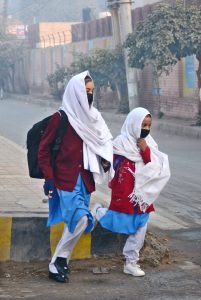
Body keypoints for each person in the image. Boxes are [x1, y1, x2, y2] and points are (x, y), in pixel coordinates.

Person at [38, 71, 113, 283]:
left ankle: (61, 261)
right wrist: (49, 178)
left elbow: (101, 143)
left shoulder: (92, 118)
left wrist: (104, 160)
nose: (89, 95)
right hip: (65, 180)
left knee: (74, 223)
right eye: (85, 91)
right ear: (75, 92)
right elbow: (43, 150)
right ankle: (56, 262)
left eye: (92, 91)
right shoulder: (60, 118)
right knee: (79, 218)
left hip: (85, 181)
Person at [94, 107, 170, 277]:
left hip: (142, 195)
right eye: (143, 124)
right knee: (118, 221)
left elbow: (155, 165)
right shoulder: (120, 143)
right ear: (133, 123)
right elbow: (107, 162)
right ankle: (98, 212)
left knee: (141, 226)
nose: (145, 129)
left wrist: (145, 149)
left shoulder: (150, 143)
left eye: (148, 125)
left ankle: (131, 262)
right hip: (124, 191)